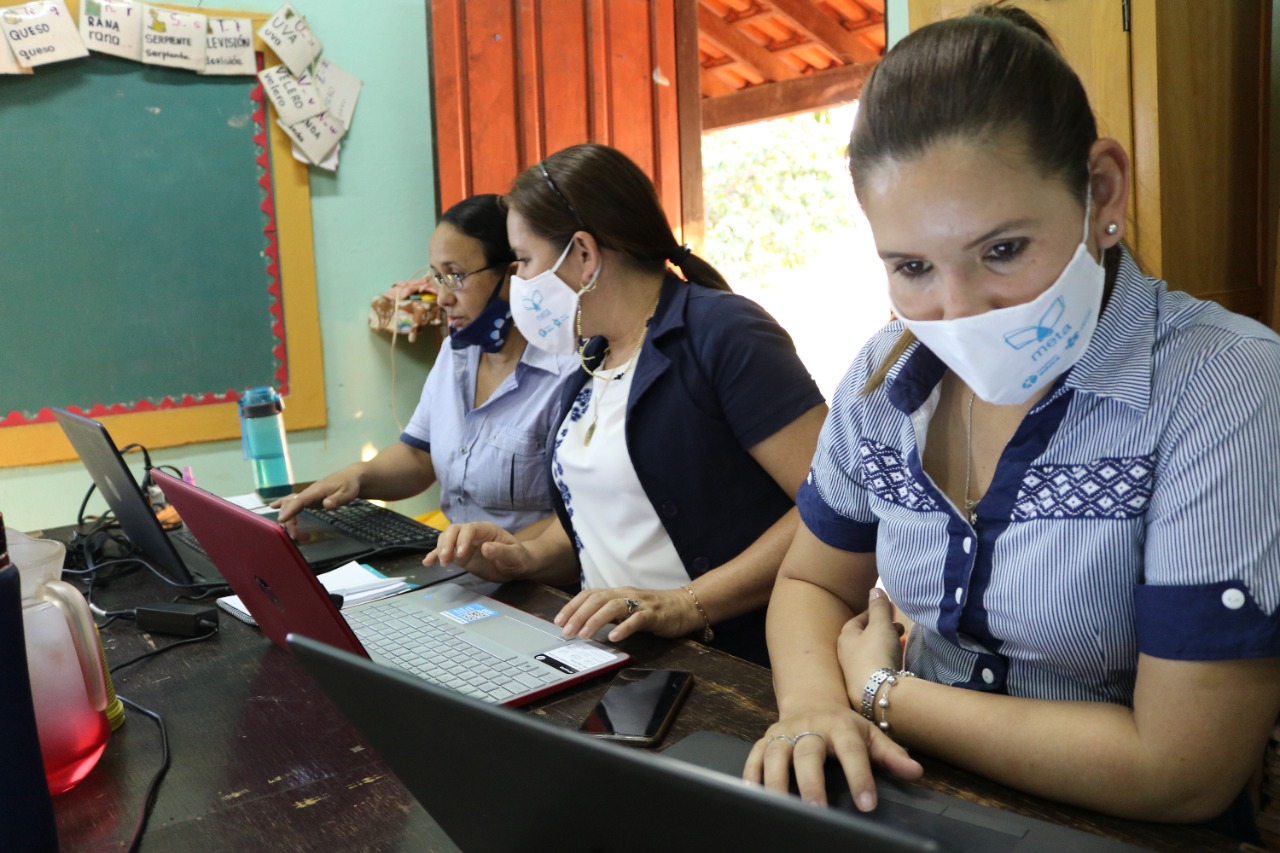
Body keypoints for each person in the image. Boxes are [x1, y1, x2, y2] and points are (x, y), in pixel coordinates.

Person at [745, 4, 1280, 838]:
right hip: (905, 810)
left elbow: (1183, 768)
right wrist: (816, 705)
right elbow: (813, 579)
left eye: (1002, 251)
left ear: (1101, 189)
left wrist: (883, 695)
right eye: (913, 267)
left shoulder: (1222, 385)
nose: (958, 314)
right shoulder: (882, 379)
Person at [425, 143, 827, 664]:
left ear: (585, 255)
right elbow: (602, 524)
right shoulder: (592, 354)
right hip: (612, 654)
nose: (517, 282)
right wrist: (519, 556)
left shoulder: (723, 333)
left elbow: (832, 502)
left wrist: (689, 604)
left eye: (524, 261)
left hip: (732, 659)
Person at [276, 194, 575, 537]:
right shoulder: (456, 353)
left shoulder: (567, 372)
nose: (444, 298)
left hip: (532, 582)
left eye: (456, 276)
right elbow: (419, 456)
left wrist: (504, 556)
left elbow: (577, 519)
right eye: (437, 277)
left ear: (512, 275)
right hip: (459, 570)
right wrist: (358, 477)